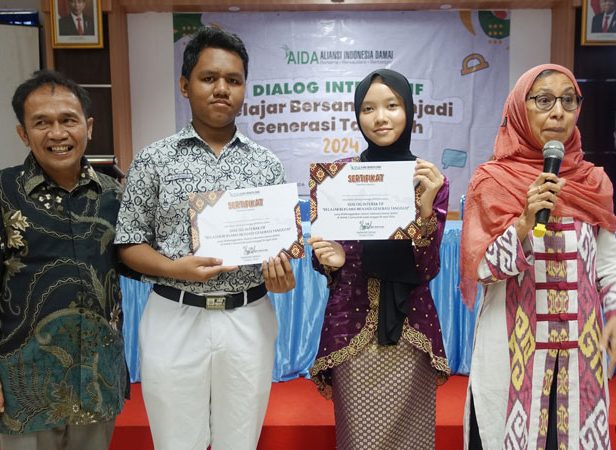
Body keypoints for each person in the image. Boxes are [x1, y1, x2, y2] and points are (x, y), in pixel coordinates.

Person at [114, 26, 295, 450]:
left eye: (233, 80)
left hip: (248, 315)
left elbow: (280, 247)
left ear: (244, 88)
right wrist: (174, 268)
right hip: (174, 315)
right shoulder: (154, 159)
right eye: (209, 78)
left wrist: (280, 275)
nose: (222, 89)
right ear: (185, 85)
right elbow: (128, 243)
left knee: (240, 440)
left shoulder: (266, 164)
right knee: (177, 441)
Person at [461, 64, 616, 450]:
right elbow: (483, 269)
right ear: (519, 107)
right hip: (511, 354)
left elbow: (607, 265)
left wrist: (614, 312)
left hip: (580, 356)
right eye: (544, 100)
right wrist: (524, 224)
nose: (558, 112)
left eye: (568, 100)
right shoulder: (491, 181)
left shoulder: (594, 182)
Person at [308, 69, 450, 450]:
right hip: (352, 327)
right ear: (358, 116)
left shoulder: (429, 179)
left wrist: (425, 209)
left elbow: (429, 267)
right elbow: (322, 256)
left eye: (391, 106)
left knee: (412, 441)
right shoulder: (339, 178)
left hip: (410, 327)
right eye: (368, 108)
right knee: (359, 439)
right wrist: (333, 259)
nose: (380, 117)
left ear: (409, 110)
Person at [0, 70, 127, 450]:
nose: (57, 133)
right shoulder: (3, 192)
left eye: (68, 120)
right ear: (24, 133)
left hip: (97, 382)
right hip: (24, 390)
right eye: (42, 123)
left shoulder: (113, 195)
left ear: (88, 126)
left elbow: (138, 260)